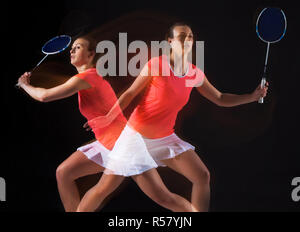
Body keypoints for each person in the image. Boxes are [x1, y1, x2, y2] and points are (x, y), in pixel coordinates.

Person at [77, 22, 269, 212]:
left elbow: (220, 98)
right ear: (170, 41)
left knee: (202, 176)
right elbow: (130, 94)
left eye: (190, 36)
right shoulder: (156, 65)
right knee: (111, 190)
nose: (187, 40)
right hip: (135, 138)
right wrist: (109, 117)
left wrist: (252, 97)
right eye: (181, 36)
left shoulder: (194, 73)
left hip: (164, 137)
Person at [17, 35, 128, 212]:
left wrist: (24, 85)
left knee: (95, 195)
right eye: (72, 47)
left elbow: (44, 96)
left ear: (91, 55)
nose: (71, 50)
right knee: (64, 173)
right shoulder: (89, 77)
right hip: (108, 142)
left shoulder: (87, 78)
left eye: (78, 47)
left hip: (121, 144)